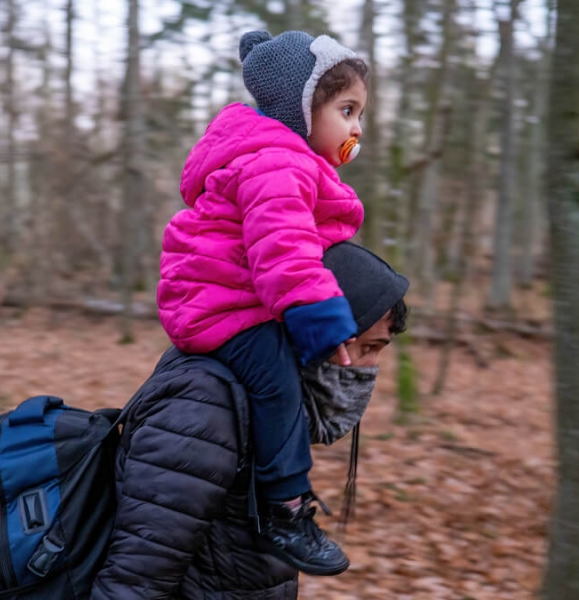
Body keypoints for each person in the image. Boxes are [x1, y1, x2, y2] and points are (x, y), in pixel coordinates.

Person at [156, 30, 370, 575]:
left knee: (282, 372)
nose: (356, 128)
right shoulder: (278, 162)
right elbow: (284, 250)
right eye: (346, 110)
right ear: (303, 109)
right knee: (276, 378)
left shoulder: (283, 159)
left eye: (359, 113)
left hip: (229, 294)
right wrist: (322, 319)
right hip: (217, 302)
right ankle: (284, 506)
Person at [91, 242, 409, 600]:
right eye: (367, 348)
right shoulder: (205, 407)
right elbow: (137, 577)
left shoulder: (266, 408)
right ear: (314, 332)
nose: (370, 368)